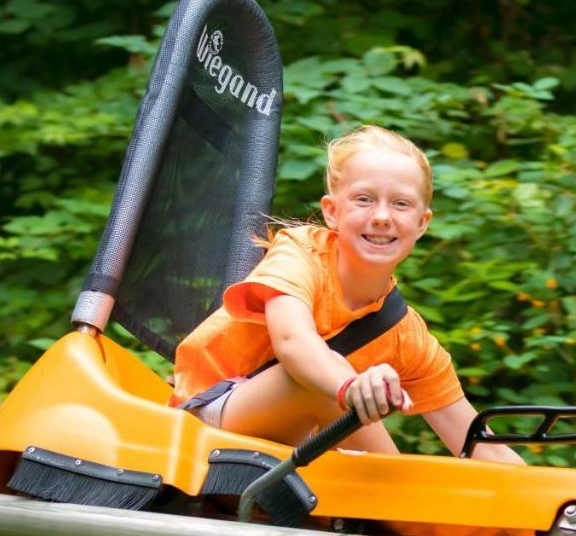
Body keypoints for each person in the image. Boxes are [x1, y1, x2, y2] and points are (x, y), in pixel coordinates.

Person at [171, 125, 522, 464]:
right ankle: (391, 501)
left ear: (422, 223)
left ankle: (395, 506)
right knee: (317, 380)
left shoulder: (406, 335)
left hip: (294, 448)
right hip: (205, 421)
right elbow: (293, 342)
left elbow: (480, 444)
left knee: (396, 478)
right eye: (364, 200)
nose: (382, 216)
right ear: (332, 212)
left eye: (401, 204)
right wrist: (348, 386)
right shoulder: (301, 253)